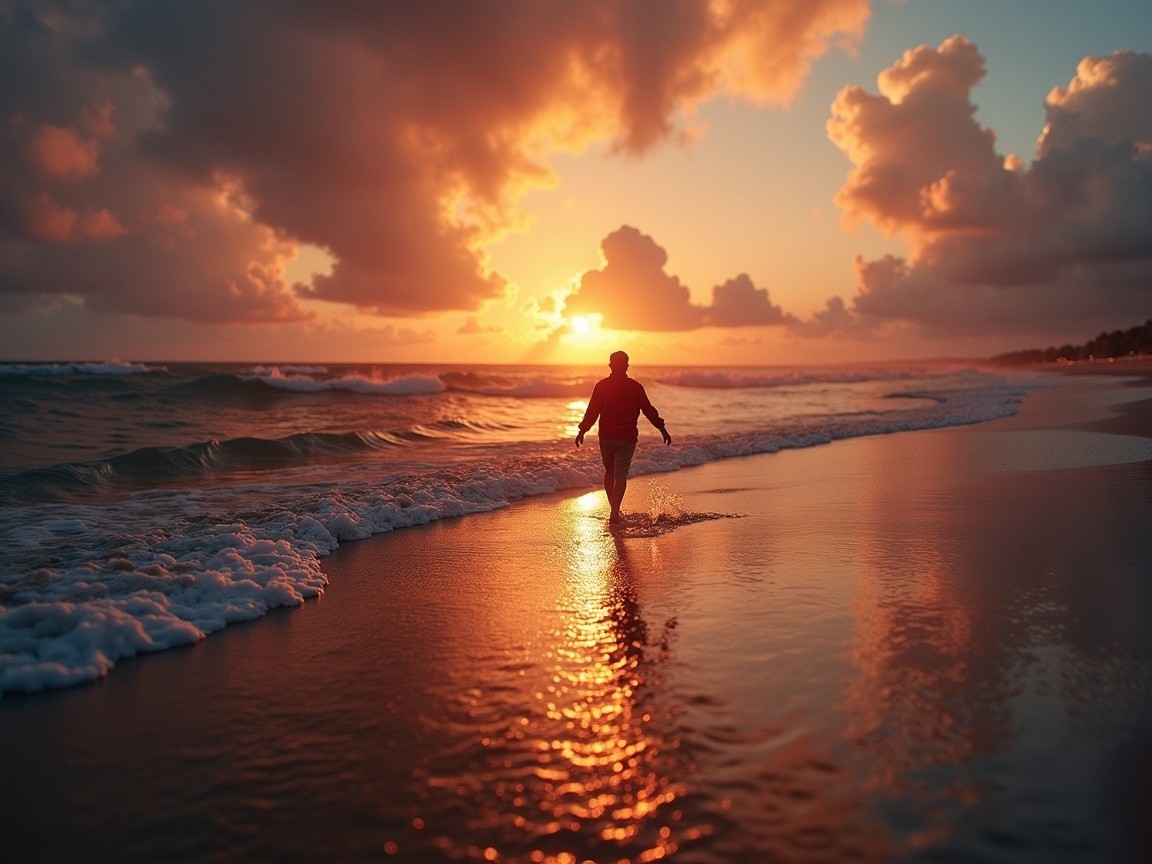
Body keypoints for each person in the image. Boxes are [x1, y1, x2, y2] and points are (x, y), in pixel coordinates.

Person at [575, 351, 671, 524]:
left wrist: (582, 431)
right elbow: (649, 410)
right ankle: (614, 513)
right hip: (626, 438)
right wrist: (662, 429)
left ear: (610, 365)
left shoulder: (601, 386)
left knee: (609, 471)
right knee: (620, 475)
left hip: (607, 437)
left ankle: (614, 511)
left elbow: (592, 412)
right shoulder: (635, 387)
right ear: (626, 365)